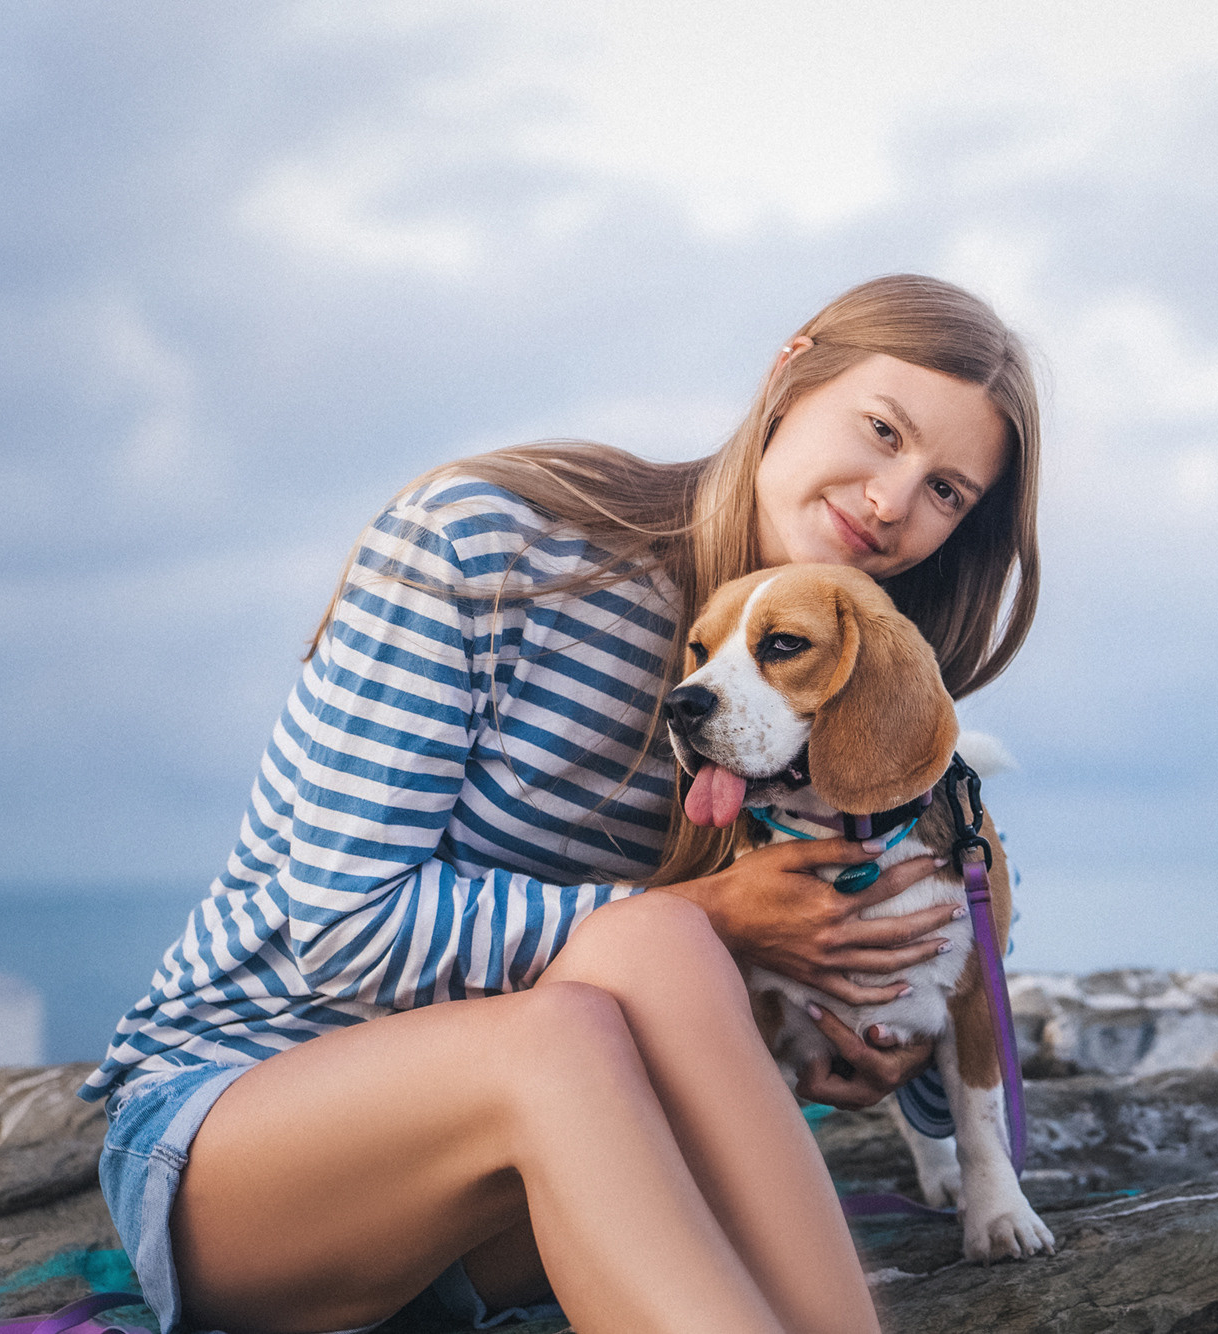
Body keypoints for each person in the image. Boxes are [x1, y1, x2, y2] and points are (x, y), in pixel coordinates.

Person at [81, 274, 1042, 1334]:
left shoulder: (843, 677)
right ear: (790, 374)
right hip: (248, 1147)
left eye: (945, 490)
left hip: (532, 1199)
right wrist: (714, 916)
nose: (890, 500)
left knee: (632, 982)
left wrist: (879, 1040)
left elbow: (921, 1015)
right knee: (630, 970)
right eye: (881, 429)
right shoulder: (488, 542)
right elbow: (345, 920)